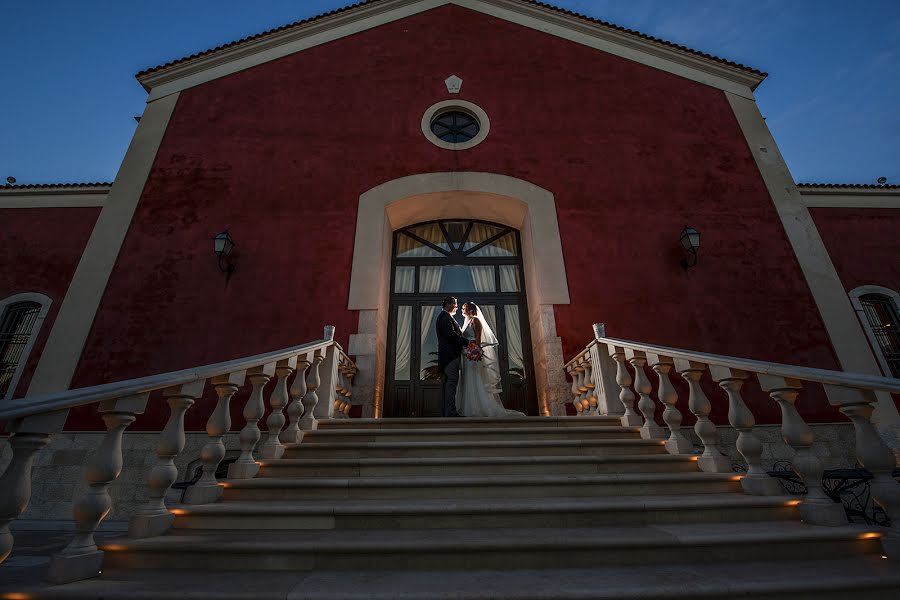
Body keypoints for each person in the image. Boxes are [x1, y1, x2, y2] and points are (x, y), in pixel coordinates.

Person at [456, 302, 525, 418]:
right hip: (467, 354)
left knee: (475, 378)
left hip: (472, 353)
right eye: (462, 308)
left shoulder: (475, 320)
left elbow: (478, 336)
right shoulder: (466, 321)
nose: (462, 310)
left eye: (464, 308)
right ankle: (470, 407)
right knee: (468, 379)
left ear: (471, 310)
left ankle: (479, 408)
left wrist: (476, 351)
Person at [435, 296, 470, 418]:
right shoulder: (444, 317)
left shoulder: (446, 317)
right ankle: (450, 413)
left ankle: (446, 413)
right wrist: (467, 342)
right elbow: (450, 335)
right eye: (455, 304)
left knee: (448, 385)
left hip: (448, 357)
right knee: (451, 384)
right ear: (448, 304)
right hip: (449, 357)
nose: (456, 307)